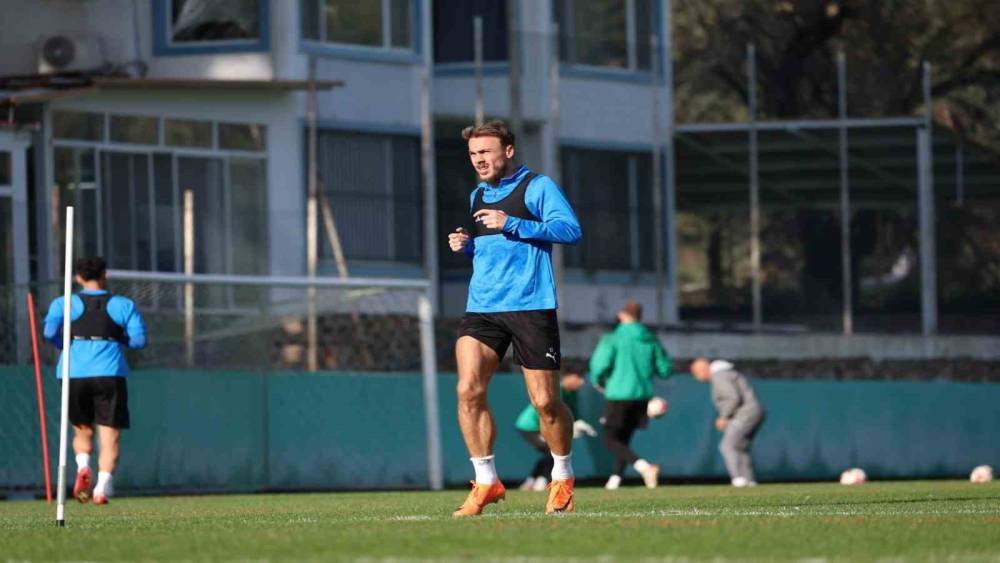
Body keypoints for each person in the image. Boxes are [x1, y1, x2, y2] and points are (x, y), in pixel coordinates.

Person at [447, 120, 582, 516]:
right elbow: (492, 248)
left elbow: (570, 230)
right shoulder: (477, 194)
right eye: (473, 154)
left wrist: (513, 222)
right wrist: (467, 247)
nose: (479, 159)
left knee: (545, 403)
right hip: (482, 307)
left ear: (508, 151)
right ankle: (486, 481)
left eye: (485, 152)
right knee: (467, 390)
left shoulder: (538, 187)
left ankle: (562, 475)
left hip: (531, 304)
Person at [43, 257, 147, 504]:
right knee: (110, 435)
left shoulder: (63, 303)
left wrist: (64, 344)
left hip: (73, 373)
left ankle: (82, 467)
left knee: (82, 430)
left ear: (78, 278)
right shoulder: (123, 305)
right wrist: (117, 339)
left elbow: (48, 333)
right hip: (109, 373)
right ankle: (102, 487)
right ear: (104, 275)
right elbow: (139, 341)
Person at [588, 300, 672, 490]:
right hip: (642, 396)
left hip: (618, 394)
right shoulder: (651, 339)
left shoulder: (613, 338)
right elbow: (665, 369)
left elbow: (599, 366)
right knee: (624, 439)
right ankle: (615, 480)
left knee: (609, 439)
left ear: (622, 315)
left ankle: (645, 467)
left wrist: (599, 381)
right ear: (640, 316)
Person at [514, 366, 597, 492]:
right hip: (529, 427)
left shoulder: (572, 394)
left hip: (545, 427)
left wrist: (577, 425)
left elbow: (572, 415)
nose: (581, 382)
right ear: (567, 377)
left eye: (582, 378)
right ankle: (541, 481)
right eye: (578, 377)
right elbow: (547, 415)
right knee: (554, 452)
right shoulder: (556, 391)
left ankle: (531, 481)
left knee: (553, 453)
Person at [690, 358, 766, 487]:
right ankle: (749, 481)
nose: (696, 378)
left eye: (696, 373)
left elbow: (732, 397)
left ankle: (738, 479)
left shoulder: (719, 375)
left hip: (745, 414)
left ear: (702, 369)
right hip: (754, 411)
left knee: (727, 446)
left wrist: (724, 416)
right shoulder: (727, 373)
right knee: (740, 447)